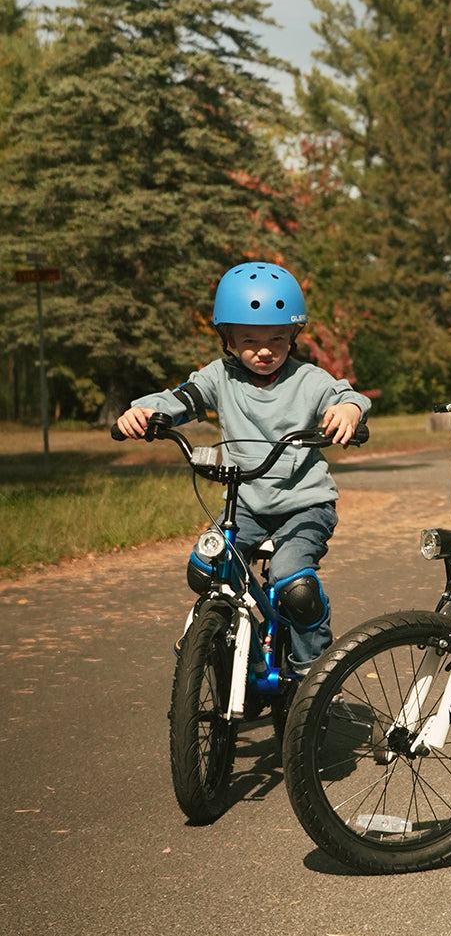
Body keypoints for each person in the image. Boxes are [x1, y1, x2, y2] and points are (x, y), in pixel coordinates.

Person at [115, 261, 371, 674]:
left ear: (293, 336)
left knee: (295, 584)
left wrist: (348, 409)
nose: (264, 350)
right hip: (246, 505)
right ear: (228, 338)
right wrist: (144, 412)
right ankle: (223, 633)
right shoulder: (220, 377)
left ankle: (317, 671)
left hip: (305, 505)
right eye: (250, 340)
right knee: (205, 566)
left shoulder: (309, 379)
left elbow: (345, 395)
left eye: (277, 339)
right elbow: (183, 399)